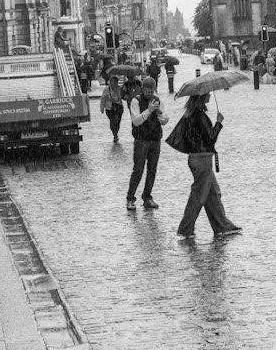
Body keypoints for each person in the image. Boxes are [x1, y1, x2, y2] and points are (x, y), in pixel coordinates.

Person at [171, 92, 240, 240]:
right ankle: (185, 229)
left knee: (213, 193)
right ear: (201, 97)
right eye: (207, 93)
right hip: (202, 160)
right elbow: (210, 139)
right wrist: (219, 122)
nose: (209, 94)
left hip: (196, 158)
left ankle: (222, 225)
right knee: (198, 197)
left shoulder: (191, 114)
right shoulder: (199, 116)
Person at [126, 80, 165, 209]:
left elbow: (165, 120)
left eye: (152, 90)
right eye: (147, 90)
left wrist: (159, 113)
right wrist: (148, 111)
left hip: (155, 139)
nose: (150, 93)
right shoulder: (135, 101)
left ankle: (147, 197)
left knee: (152, 170)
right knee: (138, 169)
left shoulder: (157, 101)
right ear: (142, 89)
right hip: (141, 140)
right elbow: (136, 121)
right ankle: (130, 198)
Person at [101, 72, 125, 143]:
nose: (114, 83)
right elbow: (103, 98)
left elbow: (123, 96)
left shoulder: (120, 88)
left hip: (119, 107)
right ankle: (115, 135)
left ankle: (116, 132)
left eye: (115, 82)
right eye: (112, 82)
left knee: (117, 122)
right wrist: (102, 107)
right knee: (113, 121)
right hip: (109, 108)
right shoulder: (106, 89)